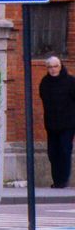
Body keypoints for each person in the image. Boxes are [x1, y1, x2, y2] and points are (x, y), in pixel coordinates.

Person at [41, 55, 75, 190]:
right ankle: (57, 180)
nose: (53, 70)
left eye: (55, 66)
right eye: (50, 67)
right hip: (51, 124)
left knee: (65, 151)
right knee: (52, 153)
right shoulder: (45, 83)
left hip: (68, 124)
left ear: (60, 67)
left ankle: (63, 181)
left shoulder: (71, 82)